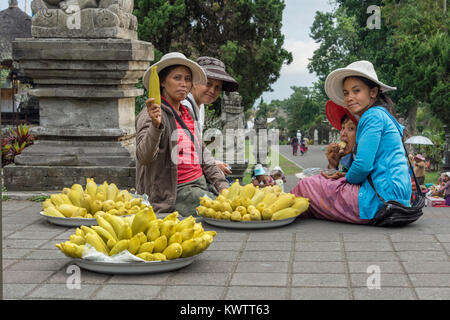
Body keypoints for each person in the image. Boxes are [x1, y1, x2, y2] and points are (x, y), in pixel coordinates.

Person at [291, 60, 411, 224]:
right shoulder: (384, 115)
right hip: (398, 197)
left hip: (380, 200)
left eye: (356, 91)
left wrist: (343, 179)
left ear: (373, 92)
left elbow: (363, 165)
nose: (350, 97)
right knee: (320, 184)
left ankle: (282, 213)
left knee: (307, 184)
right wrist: (342, 174)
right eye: (346, 93)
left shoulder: (372, 116)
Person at [136, 52, 230, 216]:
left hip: (198, 184)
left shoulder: (186, 112)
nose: (184, 84)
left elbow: (201, 152)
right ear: (163, 82)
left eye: (187, 79)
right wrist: (156, 126)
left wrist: (222, 186)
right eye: (177, 78)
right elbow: (144, 157)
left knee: (233, 200)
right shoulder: (151, 115)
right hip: (174, 192)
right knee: (225, 212)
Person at [182, 56, 239, 177]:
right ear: (195, 82)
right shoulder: (185, 107)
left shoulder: (199, 106)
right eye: (208, 84)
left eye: (217, 87)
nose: (212, 90)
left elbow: (197, 146)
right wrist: (212, 164)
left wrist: (212, 162)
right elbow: (185, 151)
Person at [324, 100, 358, 175]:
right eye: (342, 128)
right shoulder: (349, 158)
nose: (343, 133)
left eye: (351, 128)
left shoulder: (368, 163)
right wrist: (333, 166)